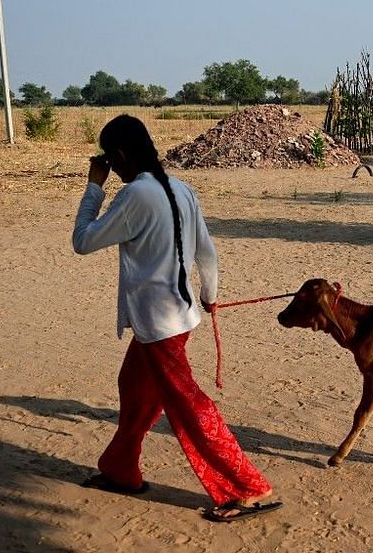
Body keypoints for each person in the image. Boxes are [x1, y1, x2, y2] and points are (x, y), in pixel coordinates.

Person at [72, 114, 281, 523]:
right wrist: (209, 296)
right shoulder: (181, 189)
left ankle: (246, 488)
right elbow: (208, 252)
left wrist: (94, 186)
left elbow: (83, 241)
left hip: (159, 325)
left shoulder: (135, 196)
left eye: (110, 162)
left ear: (117, 156)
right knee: (134, 388)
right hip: (178, 317)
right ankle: (120, 469)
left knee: (188, 404)